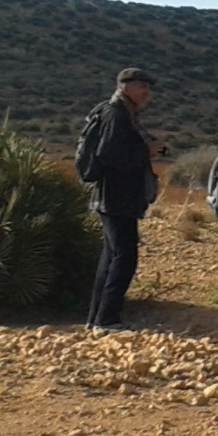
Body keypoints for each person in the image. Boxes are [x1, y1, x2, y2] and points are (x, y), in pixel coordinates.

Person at [84, 68, 166, 332]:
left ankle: (97, 318)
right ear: (125, 87)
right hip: (115, 197)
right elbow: (109, 154)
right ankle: (107, 320)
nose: (147, 93)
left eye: (148, 87)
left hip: (116, 197)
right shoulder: (116, 114)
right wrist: (146, 151)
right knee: (124, 256)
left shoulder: (124, 113)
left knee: (112, 256)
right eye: (142, 86)